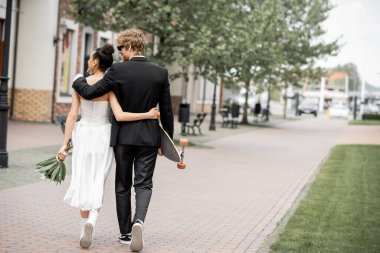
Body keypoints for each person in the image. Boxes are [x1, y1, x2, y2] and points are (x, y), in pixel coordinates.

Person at [71, 29, 174, 252]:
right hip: (149, 137)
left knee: (123, 185)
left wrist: (77, 80)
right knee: (144, 184)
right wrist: (167, 142)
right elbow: (167, 110)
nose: (119, 54)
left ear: (128, 47)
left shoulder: (118, 70)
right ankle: (139, 221)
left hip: (123, 137)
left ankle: (126, 234)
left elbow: (90, 92)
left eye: (120, 49)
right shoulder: (160, 72)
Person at [56, 43, 159, 249]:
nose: (87, 61)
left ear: (95, 62)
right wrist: (147, 114)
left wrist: (64, 145)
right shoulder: (110, 88)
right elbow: (120, 116)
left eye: (89, 58)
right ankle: (91, 221)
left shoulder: (80, 84)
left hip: (83, 134)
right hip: (103, 135)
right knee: (97, 181)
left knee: (83, 178)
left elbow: (72, 115)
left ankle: (85, 223)